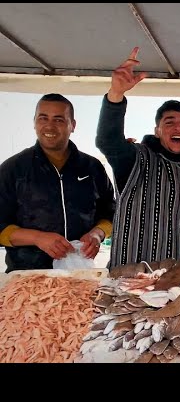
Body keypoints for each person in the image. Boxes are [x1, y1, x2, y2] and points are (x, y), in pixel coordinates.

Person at [96, 48, 180, 268]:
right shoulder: (134, 158)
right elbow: (107, 141)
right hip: (131, 276)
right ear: (157, 131)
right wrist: (116, 95)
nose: (178, 127)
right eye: (169, 122)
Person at [0, 93, 115, 272]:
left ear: (73, 125)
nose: (49, 126)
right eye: (43, 118)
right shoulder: (12, 168)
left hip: (79, 273)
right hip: (26, 276)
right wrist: (37, 238)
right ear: (34, 122)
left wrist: (97, 234)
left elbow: (111, 212)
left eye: (59, 120)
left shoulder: (92, 167)